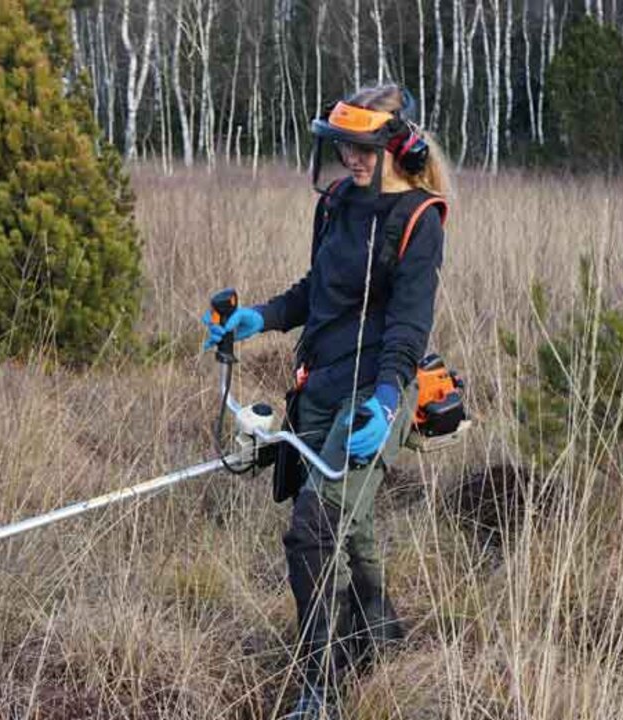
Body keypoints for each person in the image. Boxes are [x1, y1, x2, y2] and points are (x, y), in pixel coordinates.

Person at [203, 84, 452, 719]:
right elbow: (319, 289)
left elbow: (407, 326)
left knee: (313, 531)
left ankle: (322, 691)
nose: (351, 158)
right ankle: (380, 637)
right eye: (343, 146)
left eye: (365, 147)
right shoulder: (337, 203)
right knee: (352, 523)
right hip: (321, 387)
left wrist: (389, 401)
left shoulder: (419, 219)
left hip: (376, 396)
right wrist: (262, 317)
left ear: (399, 145)